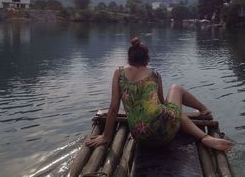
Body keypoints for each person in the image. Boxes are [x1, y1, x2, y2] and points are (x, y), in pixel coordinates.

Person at [86, 37, 234, 151]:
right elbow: (163, 103)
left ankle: (203, 132)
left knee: (173, 111)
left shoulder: (118, 73)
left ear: (129, 58)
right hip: (164, 135)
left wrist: (106, 136)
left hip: (140, 136)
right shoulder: (154, 74)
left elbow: (113, 107)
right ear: (147, 58)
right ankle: (204, 112)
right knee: (176, 89)